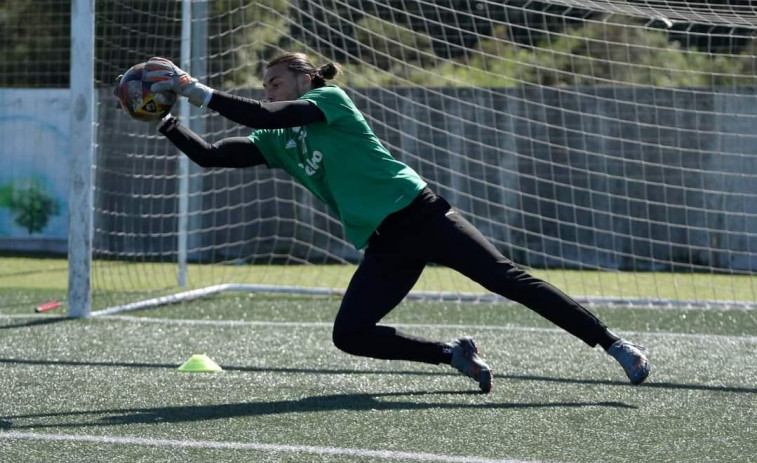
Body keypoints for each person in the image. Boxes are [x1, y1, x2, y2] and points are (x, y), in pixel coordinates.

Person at [127, 53, 651, 393]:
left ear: (306, 78)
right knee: (349, 334)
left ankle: (613, 346)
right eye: (264, 83)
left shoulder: (327, 101)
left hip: (420, 212)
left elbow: (263, 116)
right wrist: (168, 122)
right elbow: (214, 156)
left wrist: (192, 88)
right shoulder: (276, 141)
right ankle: (452, 354)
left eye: (276, 79)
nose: (268, 88)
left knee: (509, 281)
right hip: (384, 243)